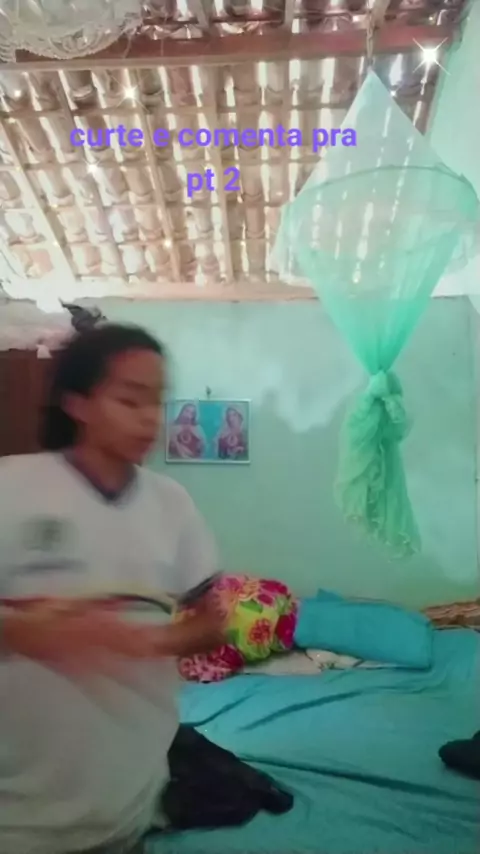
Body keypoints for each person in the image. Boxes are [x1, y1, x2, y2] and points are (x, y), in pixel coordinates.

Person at [0, 323, 225, 854]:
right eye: (130, 400)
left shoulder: (172, 505)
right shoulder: (11, 487)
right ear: (76, 403)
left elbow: (213, 623)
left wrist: (146, 642)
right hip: (18, 807)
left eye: (157, 401)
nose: (151, 419)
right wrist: (24, 630)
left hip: (125, 802)